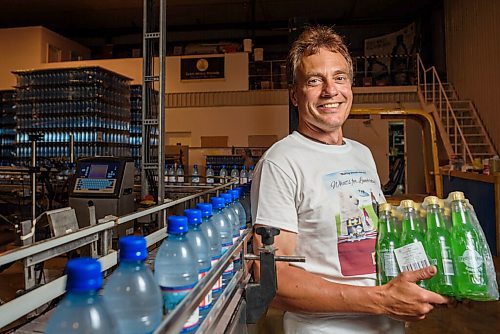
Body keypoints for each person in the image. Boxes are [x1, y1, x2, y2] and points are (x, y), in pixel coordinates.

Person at [250, 26, 450, 333]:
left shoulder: (361, 153)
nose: (330, 90)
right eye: (315, 81)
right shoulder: (281, 162)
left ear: (350, 86)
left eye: (339, 77)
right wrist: (381, 300)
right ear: (294, 95)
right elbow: (272, 277)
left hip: (389, 325)